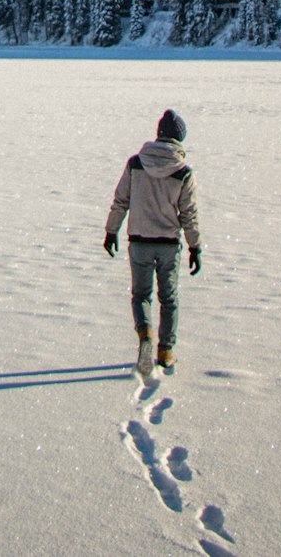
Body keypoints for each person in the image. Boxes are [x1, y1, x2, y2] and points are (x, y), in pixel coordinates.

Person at [103, 108, 202, 376]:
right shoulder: (183, 172)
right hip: (169, 243)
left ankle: (145, 334)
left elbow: (121, 200)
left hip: (139, 241)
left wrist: (111, 231)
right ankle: (165, 352)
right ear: (179, 139)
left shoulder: (136, 163)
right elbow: (188, 214)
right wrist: (195, 247)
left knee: (141, 296)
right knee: (168, 299)